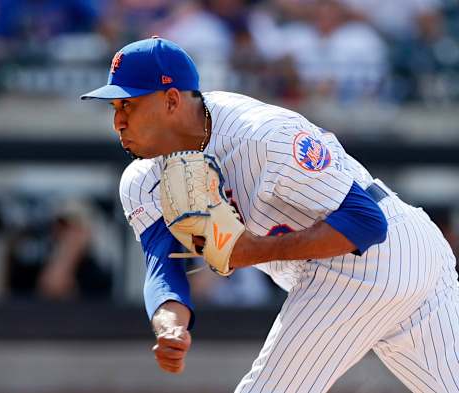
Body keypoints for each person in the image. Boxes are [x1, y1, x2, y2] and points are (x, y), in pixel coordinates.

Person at [81, 37, 459, 392]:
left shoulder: (261, 136)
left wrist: (252, 252)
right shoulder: (141, 180)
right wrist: (170, 324)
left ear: (172, 100)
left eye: (129, 104)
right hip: (375, 261)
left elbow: (366, 222)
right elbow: (162, 265)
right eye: (115, 107)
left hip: (369, 260)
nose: (118, 121)